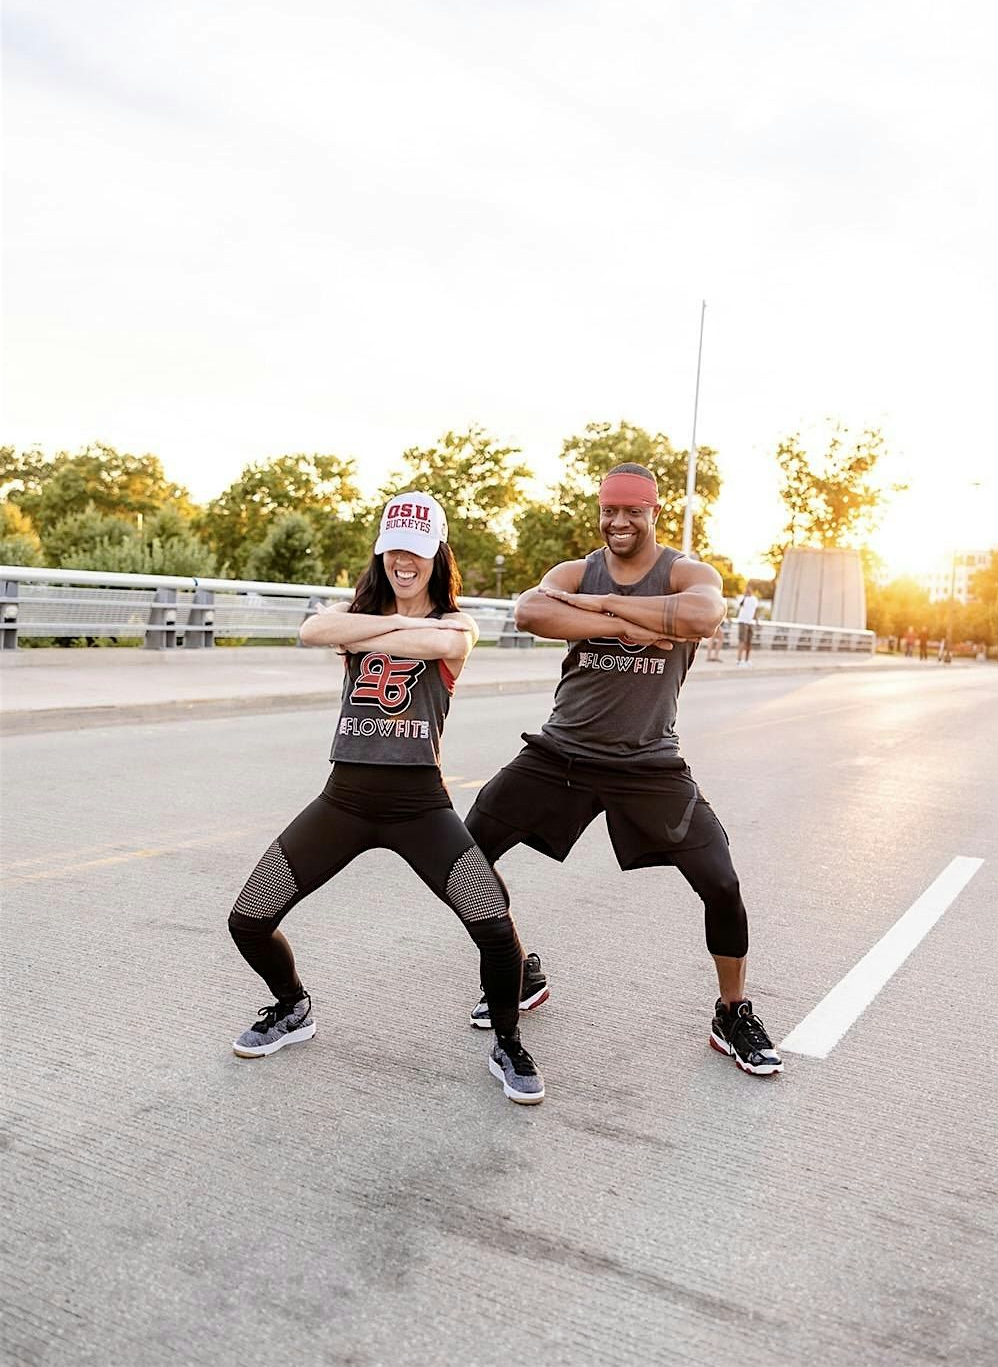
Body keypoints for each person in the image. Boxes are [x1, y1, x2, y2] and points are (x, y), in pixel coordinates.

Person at [463, 463, 783, 1076]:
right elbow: (531, 613)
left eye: (631, 511)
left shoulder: (688, 572)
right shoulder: (575, 569)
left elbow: (701, 617)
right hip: (562, 752)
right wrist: (631, 620)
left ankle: (732, 1011)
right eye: (610, 510)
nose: (618, 521)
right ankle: (520, 971)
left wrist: (603, 606)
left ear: (653, 513)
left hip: (648, 761)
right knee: (466, 854)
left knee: (721, 882)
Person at [226, 490, 544, 1105]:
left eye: (417, 552)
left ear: (437, 557)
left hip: (419, 805)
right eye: (395, 549)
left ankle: (507, 1040)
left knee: (494, 926)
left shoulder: (460, 623)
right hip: (343, 798)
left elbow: (441, 645)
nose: (405, 562)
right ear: (381, 553)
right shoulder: (360, 615)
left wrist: (367, 634)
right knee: (249, 919)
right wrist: (387, 626)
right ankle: (294, 1007)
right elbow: (312, 629)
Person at [734, 582, 759, 666]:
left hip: (750, 622)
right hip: (742, 622)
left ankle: (747, 660)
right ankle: (739, 660)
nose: (748, 590)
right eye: (747, 588)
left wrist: (756, 621)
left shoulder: (755, 599)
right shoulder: (741, 597)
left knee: (749, 642)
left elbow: (755, 611)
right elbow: (740, 605)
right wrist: (745, 596)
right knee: (742, 641)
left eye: (750, 588)